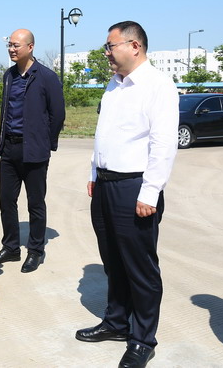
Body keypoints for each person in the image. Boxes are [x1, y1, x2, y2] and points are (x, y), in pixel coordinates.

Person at [75, 21, 178, 368]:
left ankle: (142, 339)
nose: (106, 52)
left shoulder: (158, 85)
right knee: (113, 261)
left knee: (140, 268)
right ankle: (117, 322)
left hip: (135, 187)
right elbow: (104, 134)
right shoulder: (114, 85)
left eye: (111, 46)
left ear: (135, 46)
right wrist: (94, 173)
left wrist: (150, 192)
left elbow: (163, 144)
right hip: (106, 185)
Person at [0, 28, 65, 273]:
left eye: (16, 45)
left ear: (30, 47)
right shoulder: (8, 75)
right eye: (10, 45)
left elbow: (57, 115)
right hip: (10, 148)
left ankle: (35, 250)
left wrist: (46, 142)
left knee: (35, 202)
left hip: (34, 150)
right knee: (6, 200)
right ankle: (11, 247)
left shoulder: (46, 77)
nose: (12, 49)